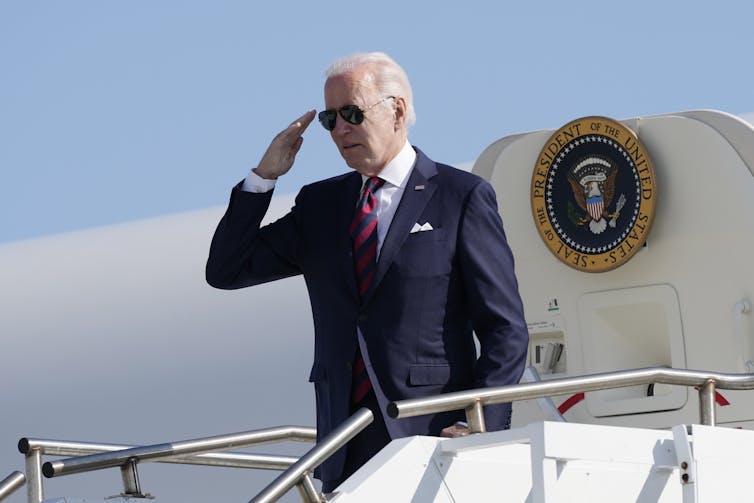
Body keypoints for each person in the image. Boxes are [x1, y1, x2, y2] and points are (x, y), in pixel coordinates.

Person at [206, 52, 528, 492]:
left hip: (434, 437)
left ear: (396, 109)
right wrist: (264, 177)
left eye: (352, 114)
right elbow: (226, 269)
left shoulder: (461, 196)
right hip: (345, 444)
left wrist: (484, 424)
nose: (339, 130)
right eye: (329, 119)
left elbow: (505, 329)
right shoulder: (320, 207)